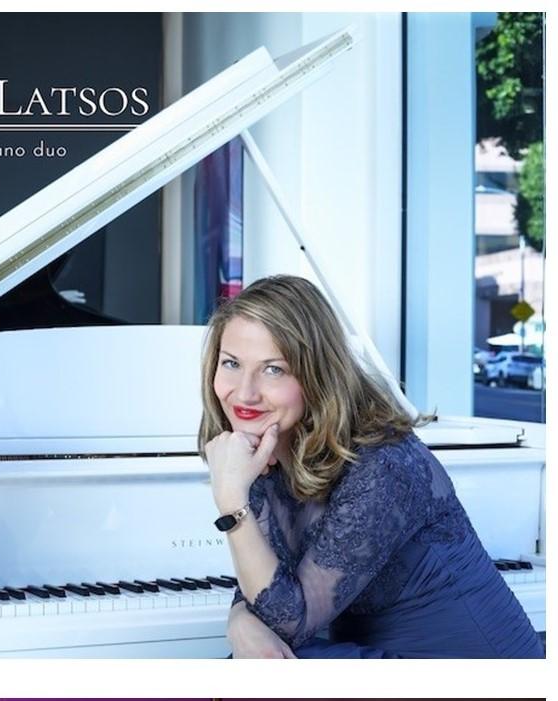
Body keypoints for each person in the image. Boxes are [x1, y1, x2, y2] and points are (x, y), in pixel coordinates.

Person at [200, 275, 544, 658]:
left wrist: (231, 498)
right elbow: (265, 578)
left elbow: (287, 621)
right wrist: (239, 619)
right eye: (231, 363)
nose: (244, 392)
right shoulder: (264, 444)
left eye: (273, 369)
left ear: (317, 374)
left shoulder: (383, 465)